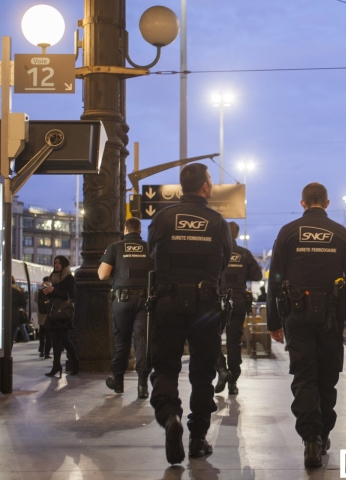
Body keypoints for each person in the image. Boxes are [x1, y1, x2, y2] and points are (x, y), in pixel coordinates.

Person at [267, 182, 346, 469]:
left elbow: (274, 280)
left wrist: (273, 322)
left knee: (303, 376)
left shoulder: (288, 232)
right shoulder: (341, 234)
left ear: (302, 203)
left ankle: (310, 438)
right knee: (327, 376)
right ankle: (323, 433)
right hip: (330, 319)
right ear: (327, 203)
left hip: (296, 318)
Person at [147, 163, 232, 465]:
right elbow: (223, 263)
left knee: (166, 367)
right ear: (206, 187)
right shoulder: (218, 222)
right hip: (205, 305)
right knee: (202, 373)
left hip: (167, 302)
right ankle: (197, 439)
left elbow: (151, 257)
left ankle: (170, 416)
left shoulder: (162, 218)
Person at [98, 217, 153, 399]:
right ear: (140, 230)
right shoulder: (149, 248)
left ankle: (118, 380)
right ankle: (143, 386)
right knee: (142, 342)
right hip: (145, 301)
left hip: (122, 300)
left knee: (122, 340)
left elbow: (102, 275)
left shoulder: (115, 247)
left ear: (125, 229)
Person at [215, 221, 262, 395]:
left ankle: (221, 369)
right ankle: (233, 383)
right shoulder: (245, 254)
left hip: (219, 300)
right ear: (236, 234)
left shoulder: (218, 252)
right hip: (239, 300)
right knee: (234, 342)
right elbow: (257, 275)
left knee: (212, 337)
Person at [44, 256, 80, 378]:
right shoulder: (53, 277)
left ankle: (75, 362)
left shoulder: (69, 278)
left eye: (59, 263)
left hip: (64, 314)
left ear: (64, 264)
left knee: (65, 339)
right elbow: (54, 296)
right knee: (55, 340)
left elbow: (70, 295)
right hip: (54, 313)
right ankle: (56, 366)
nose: (56, 265)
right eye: (55, 263)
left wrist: (53, 291)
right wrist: (47, 293)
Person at [36, 277, 52, 358]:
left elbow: (36, 300)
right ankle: (47, 353)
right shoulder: (50, 289)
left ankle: (41, 350)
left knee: (41, 335)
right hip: (48, 316)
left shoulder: (38, 290)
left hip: (41, 316)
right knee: (48, 335)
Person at [11, 276, 28, 343]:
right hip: (15, 316)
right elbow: (23, 302)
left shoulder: (3, 289)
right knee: (11, 336)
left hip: (4, 316)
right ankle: (8, 352)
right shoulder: (19, 291)